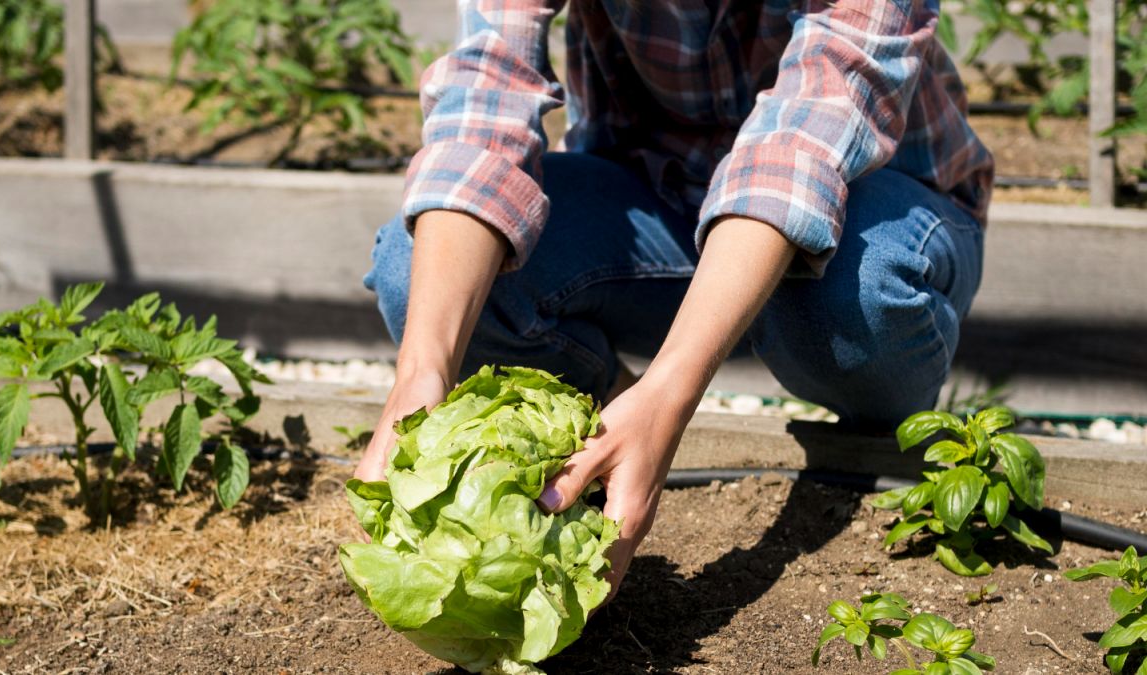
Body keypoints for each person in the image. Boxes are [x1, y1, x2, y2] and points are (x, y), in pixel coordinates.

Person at [356, 0, 994, 594]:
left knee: (854, 284)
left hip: (875, 204)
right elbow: (485, 95)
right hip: (660, 196)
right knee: (414, 271)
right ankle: (606, 425)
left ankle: (873, 449)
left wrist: (671, 392)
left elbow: (807, 138)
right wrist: (420, 374)